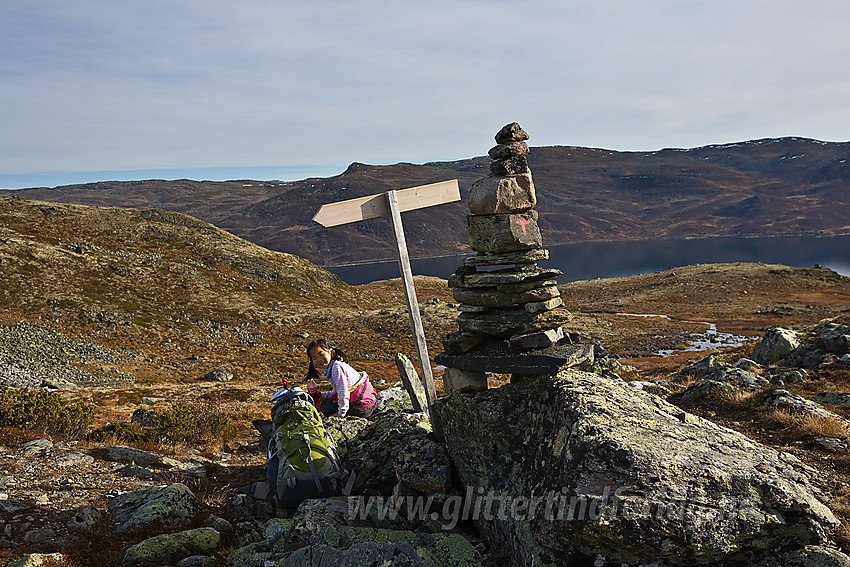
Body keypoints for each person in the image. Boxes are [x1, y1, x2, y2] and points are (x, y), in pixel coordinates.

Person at [306, 339, 377, 418]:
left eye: (321, 354)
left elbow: (343, 392)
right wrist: (321, 395)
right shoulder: (333, 366)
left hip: (362, 408)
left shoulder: (337, 368)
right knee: (327, 402)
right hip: (367, 404)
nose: (319, 359)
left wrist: (341, 413)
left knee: (326, 407)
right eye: (314, 358)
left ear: (330, 352)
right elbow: (336, 392)